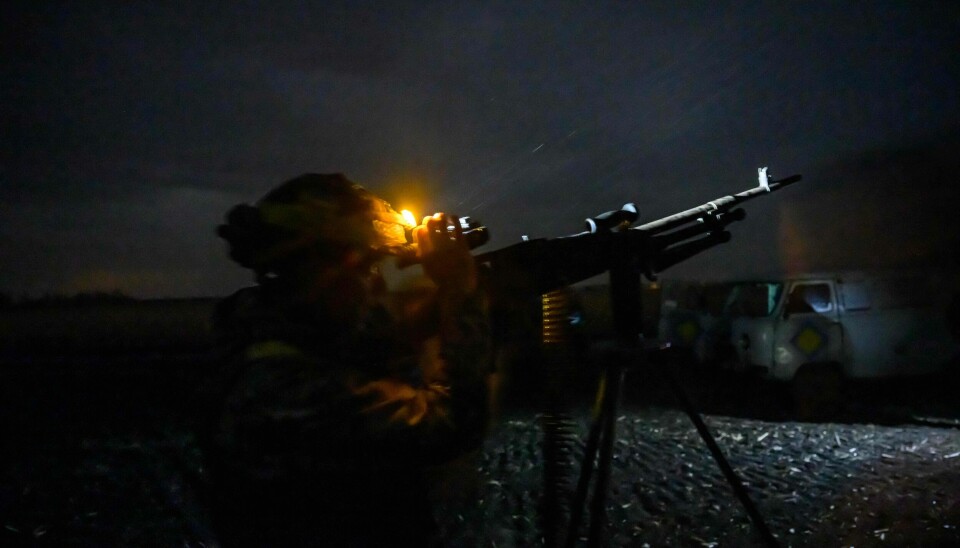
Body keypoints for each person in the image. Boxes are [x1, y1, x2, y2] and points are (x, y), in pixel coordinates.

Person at [205, 173, 491, 547]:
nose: (377, 285)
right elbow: (453, 423)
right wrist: (460, 295)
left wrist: (436, 313)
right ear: (319, 271)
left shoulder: (265, 340)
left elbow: (364, 350)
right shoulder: (285, 389)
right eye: (365, 267)